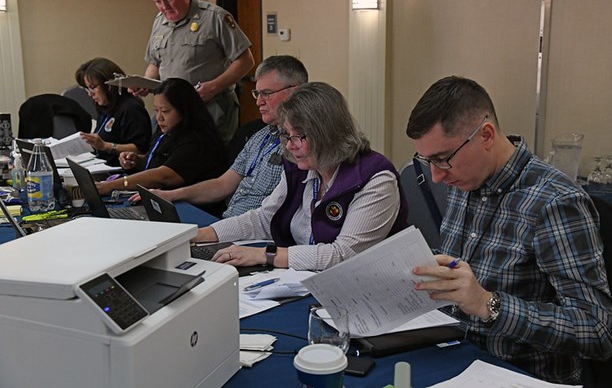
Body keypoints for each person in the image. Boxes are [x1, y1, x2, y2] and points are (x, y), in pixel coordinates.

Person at [406, 76, 612, 384]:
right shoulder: (466, 180)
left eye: (443, 159)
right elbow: (465, 269)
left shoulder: (555, 201)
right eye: (427, 161)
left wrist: (488, 304)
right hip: (455, 356)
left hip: (517, 374)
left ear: (486, 135)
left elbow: (598, 330)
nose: (436, 177)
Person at [193, 82, 409, 271]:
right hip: (304, 278)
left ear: (328, 133)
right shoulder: (301, 166)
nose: (289, 145)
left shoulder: (375, 179)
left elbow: (343, 255)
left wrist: (266, 255)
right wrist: (198, 236)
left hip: (360, 290)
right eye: (287, 134)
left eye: (299, 136)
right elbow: (263, 219)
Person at [143, 55, 308, 218]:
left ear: (294, 91)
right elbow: (222, 184)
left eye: (266, 94)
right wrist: (172, 195)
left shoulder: (303, 143)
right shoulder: (259, 136)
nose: (258, 102)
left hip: (254, 233)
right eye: (257, 94)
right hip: (228, 221)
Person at [141, 0, 255, 145]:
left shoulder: (214, 17)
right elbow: (154, 63)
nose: (164, 7)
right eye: (157, 1)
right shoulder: (159, 22)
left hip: (211, 108)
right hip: (174, 112)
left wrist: (214, 86)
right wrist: (145, 83)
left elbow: (246, 60)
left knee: (211, 161)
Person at [96, 78, 227, 197]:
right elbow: (160, 162)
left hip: (191, 208)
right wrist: (138, 161)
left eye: (165, 111)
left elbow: (165, 176)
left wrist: (113, 185)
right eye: (156, 110)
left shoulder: (196, 140)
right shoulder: (167, 131)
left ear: (184, 110)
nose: (159, 117)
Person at [76, 57, 151, 167]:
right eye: (87, 89)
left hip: (121, 172)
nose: (90, 94)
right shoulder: (106, 107)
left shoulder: (131, 109)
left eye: (93, 87)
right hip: (101, 166)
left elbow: (140, 149)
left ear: (109, 86)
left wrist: (105, 146)